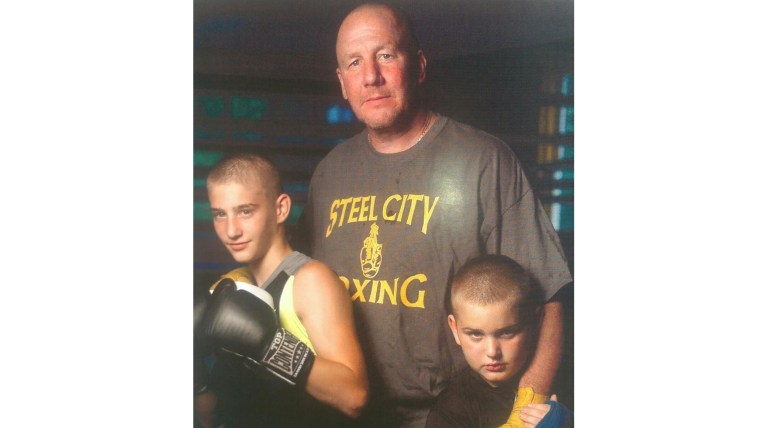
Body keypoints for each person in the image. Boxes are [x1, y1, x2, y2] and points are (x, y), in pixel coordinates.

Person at [295, 3, 573, 427]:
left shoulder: (483, 160)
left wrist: (525, 412)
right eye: (355, 62)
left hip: (452, 416)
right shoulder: (329, 172)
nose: (371, 75)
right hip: (347, 413)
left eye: (386, 54)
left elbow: (549, 296)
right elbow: (299, 292)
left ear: (419, 65)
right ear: (343, 82)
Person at [194, 153, 368, 428]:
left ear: (281, 209)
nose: (231, 230)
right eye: (219, 214)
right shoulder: (231, 285)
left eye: (245, 211)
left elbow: (354, 396)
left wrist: (268, 344)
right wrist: (198, 379)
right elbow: (215, 417)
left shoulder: (309, 280)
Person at [425, 254, 572, 428]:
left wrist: (569, 422)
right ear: (455, 329)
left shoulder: (564, 379)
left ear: (536, 320)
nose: (492, 351)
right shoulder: (451, 409)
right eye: (475, 334)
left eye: (507, 333)